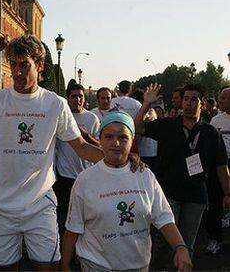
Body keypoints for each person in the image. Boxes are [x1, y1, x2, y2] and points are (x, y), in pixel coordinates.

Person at [0, 34, 105, 270]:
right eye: (13, 64)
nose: (17, 72)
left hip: (39, 204)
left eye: (25, 64)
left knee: (47, 268)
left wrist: (117, 156)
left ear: (39, 65)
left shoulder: (55, 104)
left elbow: (81, 148)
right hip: (0, 206)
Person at [61, 111, 192, 272]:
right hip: (96, 266)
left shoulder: (145, 175)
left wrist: (181, 247)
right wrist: (65, 265)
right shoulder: (85, 179)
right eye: (109, 137)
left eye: (123, 137)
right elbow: (73, 228)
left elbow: (163, 217)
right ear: (100, 140)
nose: (116, 143)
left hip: (139, 266)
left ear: (132, 142)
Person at [134, 83, 230, 269]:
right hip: (169, 193)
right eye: (185, 99)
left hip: (196, 196)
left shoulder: (211, 133)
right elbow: (138, 127)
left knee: (187, 244)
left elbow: (221, 167)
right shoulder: (167, 125)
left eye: (193, 100)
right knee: (165, 241)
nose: (188, 104)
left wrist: (227, 192)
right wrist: (146, 104)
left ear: (201, 103)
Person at [54, 83, 100, 234]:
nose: (77, 99)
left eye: (80, 96)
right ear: (68, 98)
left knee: (85, 218)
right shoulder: (61, 117)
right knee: (63, 218)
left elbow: (100, 146)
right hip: (64, 177)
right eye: (74, 96)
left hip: (86, 177)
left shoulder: (92, 118)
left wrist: (85, 136)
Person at [206, 87, 230, 254]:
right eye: (219, 97)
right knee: (215, 203)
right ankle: (213, 239)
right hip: (219, 166)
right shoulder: (215, 120)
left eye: (223, 98)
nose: (219, 100)